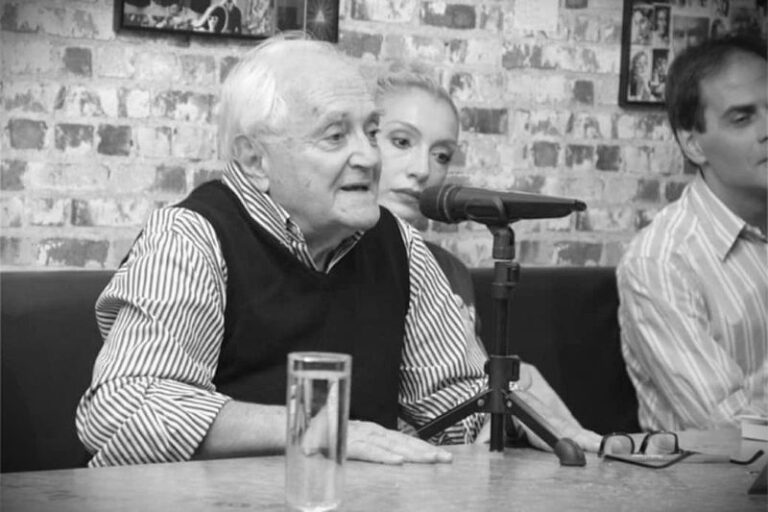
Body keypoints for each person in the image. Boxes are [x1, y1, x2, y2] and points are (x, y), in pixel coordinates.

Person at [75, 35, 488, 467]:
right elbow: (126, 410)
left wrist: (506, 412)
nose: (368, 158)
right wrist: (312, 428)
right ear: (255, 160)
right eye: (335, 136)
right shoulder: (192, 236)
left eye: (370, 133)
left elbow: (460, 405)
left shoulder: (399, 243)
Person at [373, 60, 601, 452]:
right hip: (388, 460)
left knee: (525, 378)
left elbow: (468, 390)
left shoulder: (448, 271)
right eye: (402, 142)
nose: (422, 170)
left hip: (457, 456)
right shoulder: (337, 257)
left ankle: (590, 451)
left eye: (441, 155)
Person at [617, 35, 767, 432]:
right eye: (742, 118)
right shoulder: (661, 261)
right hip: (716, 470)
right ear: (693, 144)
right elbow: (731, 430)